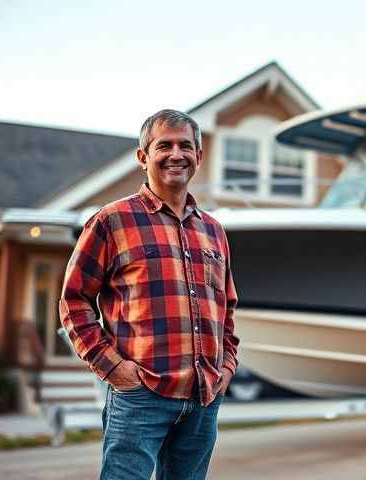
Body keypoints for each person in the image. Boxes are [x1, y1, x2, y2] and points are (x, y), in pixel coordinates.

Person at [59, 109, 239, 480]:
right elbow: (73, 301)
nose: (176, 154)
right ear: (143, 157)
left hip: (203, 398)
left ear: (199, 157)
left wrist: (226, 367)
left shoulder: (214, 231)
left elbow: (227, 309)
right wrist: (112, 368)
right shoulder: (112, 220)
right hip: (140, 396)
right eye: (164, 146)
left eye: (185, 146)